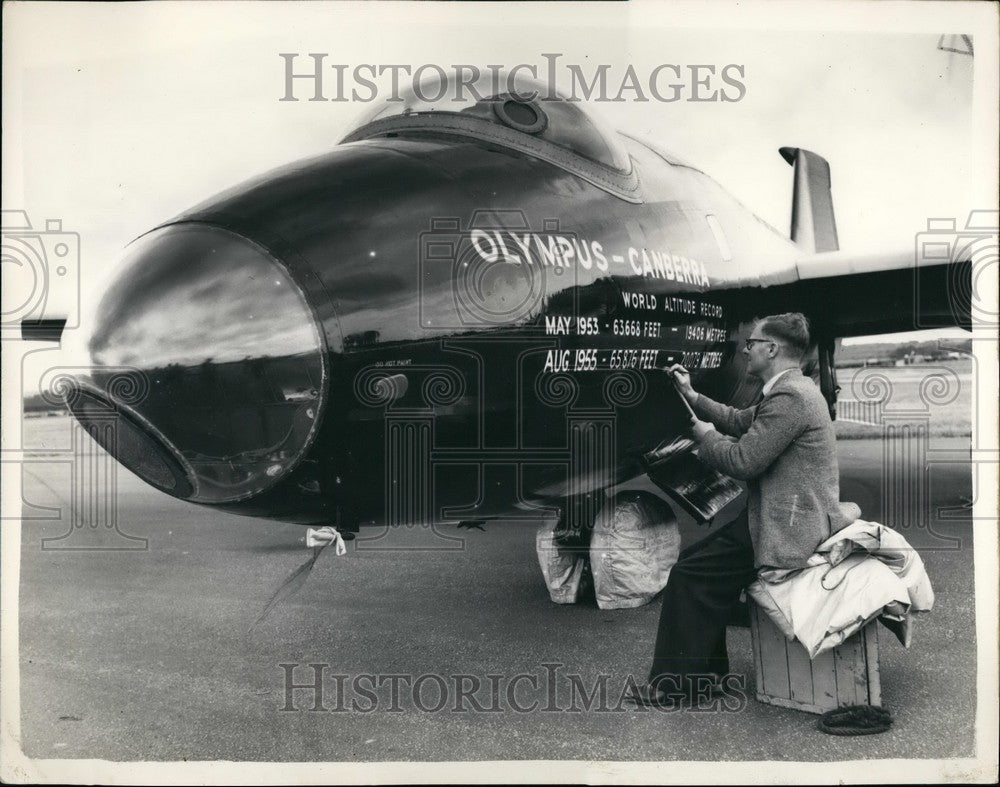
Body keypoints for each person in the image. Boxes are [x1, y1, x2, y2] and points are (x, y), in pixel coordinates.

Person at [629, 312, 855, 707]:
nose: (745, 349)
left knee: (687, 574)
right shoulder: (791, 390)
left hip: (788, 528)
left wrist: (706, 438)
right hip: (778, 517)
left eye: (751, 343)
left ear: (772, 349)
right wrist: (691, 394)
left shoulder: (791, 398)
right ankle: (707, 678)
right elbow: (740, 419)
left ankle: (674, 688)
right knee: (697, 568)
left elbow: (743, 461)